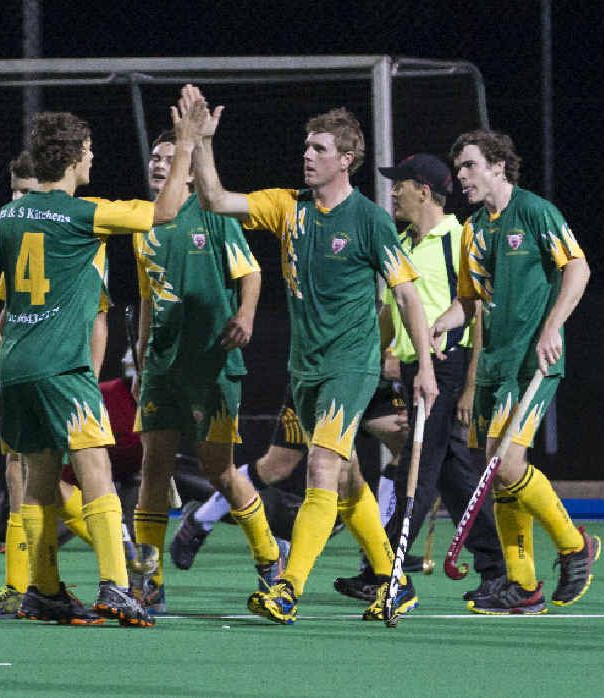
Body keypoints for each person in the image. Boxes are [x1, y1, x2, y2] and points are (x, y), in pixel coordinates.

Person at [184, 84, 438, 625]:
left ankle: (288, 588)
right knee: (346, 480)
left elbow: (407, 293)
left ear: (345, 160)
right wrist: (203, 142)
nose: (307, 154)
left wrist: (426, 370)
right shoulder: (287, 207)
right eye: (307, 146)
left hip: (351, 366)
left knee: (321, 469)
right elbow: (213, 199)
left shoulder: (369, 219)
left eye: (319, 148)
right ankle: (397, 579)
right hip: (305, 371)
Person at [0, 101, 201, 627]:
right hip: (62, 370)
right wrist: (185, 143)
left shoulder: (8, 214)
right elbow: (163, 213)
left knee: (39, 483)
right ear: (73, 158)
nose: (92, 158)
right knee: (96, 473)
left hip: (20, 367)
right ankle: (117, 587)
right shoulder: (83, 215)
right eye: (89, 150)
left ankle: (42, 590)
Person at [431, 130, 598, 614]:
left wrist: (552, 328)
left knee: (506, 465)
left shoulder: (535, 211)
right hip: (494, 365)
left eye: (468, 166)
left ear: (499, 166)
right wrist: (445, 321)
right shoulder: (473, 229)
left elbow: (578, 268)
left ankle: (574, 545)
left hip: (533, 360)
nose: (460, 177)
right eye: (458, 168)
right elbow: (471, 300)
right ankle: (523, 586)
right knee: (495, 471)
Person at [334, 153, 507, 605]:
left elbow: (477, 315)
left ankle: (385, 569)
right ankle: (496, 569)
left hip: (448, 366)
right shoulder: (402, 245)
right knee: (450, 474)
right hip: (414, 371)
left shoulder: (459, 237)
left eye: (400, 185)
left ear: (424, 191)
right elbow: (395, 313)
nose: (393, 193)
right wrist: (370, 353)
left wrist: (470, 385)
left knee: (421, 469)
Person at [132, 128, 284, 615]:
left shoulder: (213, 217)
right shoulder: (143, 222)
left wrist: (246, 315)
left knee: (219, 469)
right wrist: (139, 361)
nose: (159, 165)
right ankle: (148, 580)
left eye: (170, 158)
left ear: (192, 170)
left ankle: (269, 561)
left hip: (212, 367)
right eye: (155, 157)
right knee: (152, 470)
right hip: (161, 368)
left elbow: (252, 272)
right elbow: (145, 298)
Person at [169, 380, 409, 570]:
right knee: (276, 467)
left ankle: (382, 548)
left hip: (371, 384)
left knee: (403, 441)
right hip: (326, 381)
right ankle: (200, 521)